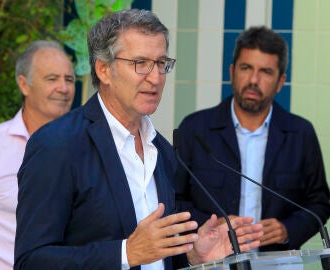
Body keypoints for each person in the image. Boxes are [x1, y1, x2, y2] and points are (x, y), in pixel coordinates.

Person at [14, 9, 263, 270]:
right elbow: (31, 261)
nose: (155, 77)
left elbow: (153, 257)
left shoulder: (162, 151)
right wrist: (125, 253)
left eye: (161, 63)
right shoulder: (57, 145)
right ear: (104, 70)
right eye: (140, 63)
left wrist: (192, 257)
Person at [176, 26, 330, 252]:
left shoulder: (300, 133)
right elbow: (173, 200)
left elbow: (320, 203)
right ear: (232, 72)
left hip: (277, 264)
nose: (253, 80)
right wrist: (209, 225)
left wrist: (288, 229)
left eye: (266, 71)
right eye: (246, 68)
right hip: (212, 261)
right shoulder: (195, 129)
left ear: (280, 82)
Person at [0, 40, 75, 270]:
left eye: (69, 79)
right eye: (52, 79)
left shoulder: (84, 149)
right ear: (24, 85)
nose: (64, 88)